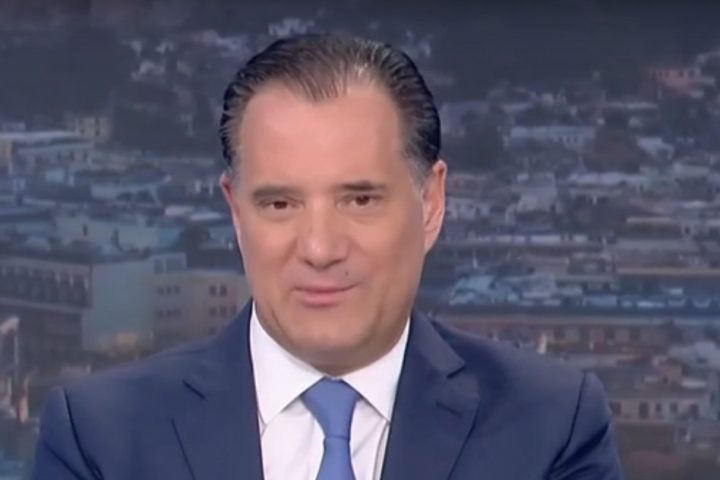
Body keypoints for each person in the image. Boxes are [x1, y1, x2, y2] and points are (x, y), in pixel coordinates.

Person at [33, 33, 623, 479]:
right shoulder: (100, 440)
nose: (319, 248)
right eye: (280, 204)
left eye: (360, 200)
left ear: (431, 203)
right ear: (236, 213)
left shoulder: (550, 428)